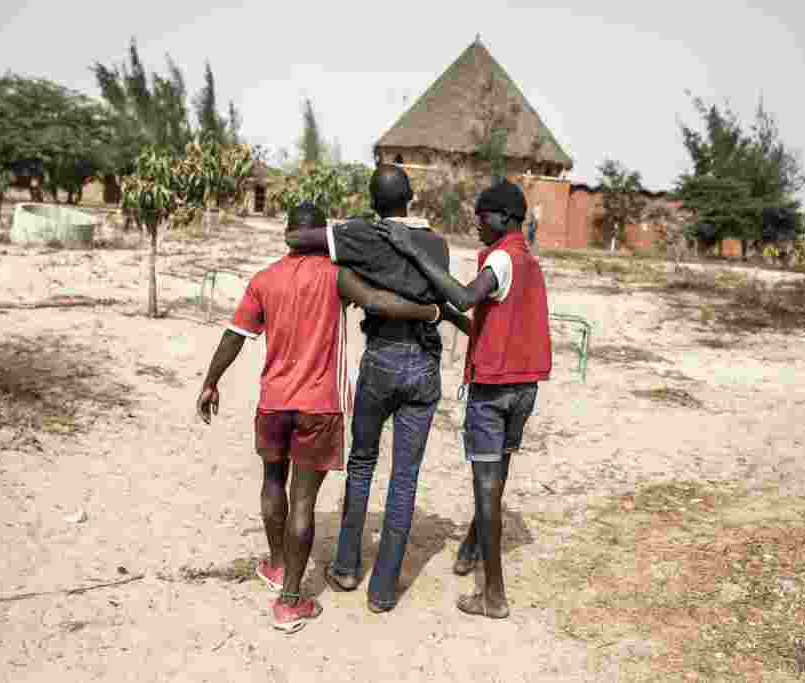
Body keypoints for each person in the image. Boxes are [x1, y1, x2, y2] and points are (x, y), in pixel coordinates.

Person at [196, 202, 443, 633]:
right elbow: (379, 301)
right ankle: (291, 600)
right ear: (322, 236)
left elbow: (235, 335)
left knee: (273, 483)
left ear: (290, 234)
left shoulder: (264, 279)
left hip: (273, 402)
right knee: (304, 500)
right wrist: (430, 312)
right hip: (318, 405)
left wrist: (210, 382)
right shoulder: (337, 275)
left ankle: (276, 566)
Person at [374, 179, 552, 619]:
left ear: (506, 219)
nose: (476, 222)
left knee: (486, 487)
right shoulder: (528, 261)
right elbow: (492, 317)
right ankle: (472, 545)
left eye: (483, 215)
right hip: (524, 387)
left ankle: (492, 596)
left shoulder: (502, 259)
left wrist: (411, 251)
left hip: (493, 392)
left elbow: (464, 296)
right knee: (497, 476)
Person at [284, 164, 453, 613]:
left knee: (361, 463)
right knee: (405, 477)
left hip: (381, 356)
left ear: (375, 202)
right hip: (424, 361)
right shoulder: (438, 243)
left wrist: (352, 242)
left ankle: (344, 567)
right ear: (411, 197)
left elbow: (298, 239)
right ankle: (382, 591)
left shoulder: (366, 235)